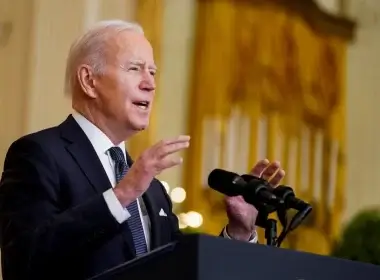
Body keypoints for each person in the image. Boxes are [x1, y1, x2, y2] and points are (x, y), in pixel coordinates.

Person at [0, 20, 285, 280]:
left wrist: (238, 232)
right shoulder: (39, 155)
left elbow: (181, 273)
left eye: (152, 72)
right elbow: (23, 259)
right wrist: (121, 195)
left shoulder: (152, 190)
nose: (150, 84)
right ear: (89, 81)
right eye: (134, 69)